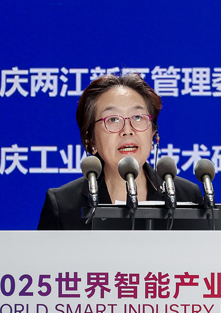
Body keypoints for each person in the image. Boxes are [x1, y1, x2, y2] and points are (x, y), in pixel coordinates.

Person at [37, 73, 203, 230]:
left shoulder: (186, 195)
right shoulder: (63, 205)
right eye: (113, 119)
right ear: (91, 139)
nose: (127, 130)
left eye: (137, 117)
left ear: (153, 133)